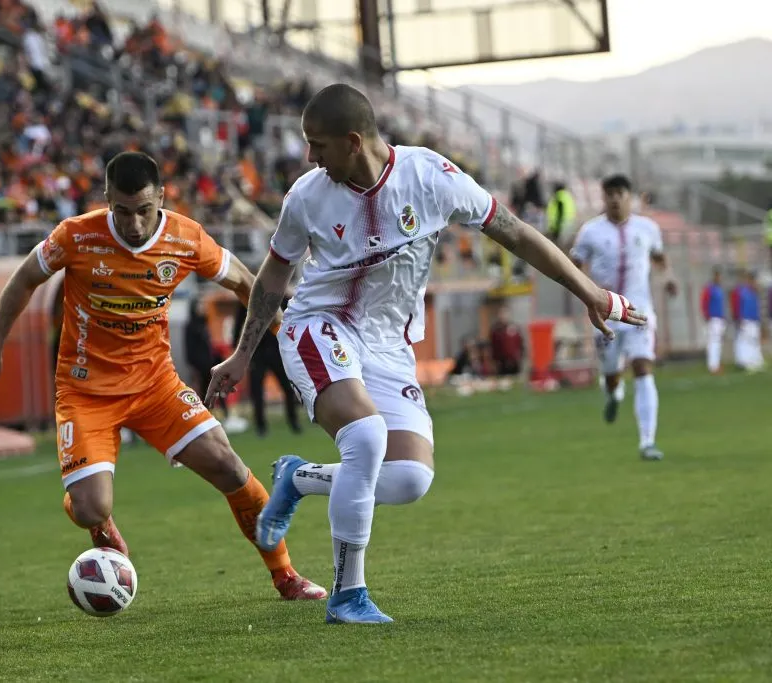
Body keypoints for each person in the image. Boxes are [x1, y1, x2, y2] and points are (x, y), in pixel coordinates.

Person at [206, 83, 646, 624]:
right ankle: (348, 595)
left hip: (390, 345)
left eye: (317, 145)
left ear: (352, 141)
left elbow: (516, 232)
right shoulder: (306, 196)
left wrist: (592, 292)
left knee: (410, 480)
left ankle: (298, 478)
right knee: (366, 437)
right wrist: (243, 355)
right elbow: (274, 276)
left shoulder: (431, 178)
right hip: (319, 327)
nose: (310, 157)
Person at [0, 151, 325, 602]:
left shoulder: (185, 237)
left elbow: (243, 281)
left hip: (155, 385)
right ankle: (98, 522)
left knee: (229, 467)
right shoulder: (77, 236)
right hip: (86, 391)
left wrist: (281, 332)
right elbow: (24, 279)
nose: (135, 224)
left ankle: (286, 576)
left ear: (161, 197)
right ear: (106, 199)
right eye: (122, 211)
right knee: (89, 507)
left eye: (144, 210)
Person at [569, 174, 676, 461]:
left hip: (639, 311)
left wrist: (668, 278)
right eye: (610, 194)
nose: (615, 199)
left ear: (630, 196)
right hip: (605, 314)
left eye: (620, 193)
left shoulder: (648, 228)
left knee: (643, 367)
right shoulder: (590, 232)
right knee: (612, 374)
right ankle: (613, 393)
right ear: (603, 198)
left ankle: (647, 441)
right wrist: (583, 291)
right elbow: (573, 264)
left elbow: (659, 256)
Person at [233, 299, 303, 437]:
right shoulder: (247, 300)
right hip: (257, 353)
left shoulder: (280, 297)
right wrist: (241, 354)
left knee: (288, 388)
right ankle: (261, 426)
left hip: (277, 351)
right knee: (257, 391)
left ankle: (294, 421)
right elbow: (239, 327)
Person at [730, 271, 765, 372]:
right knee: (746, 341)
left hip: (754, 320)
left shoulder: (754, 292)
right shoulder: (742, 292)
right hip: (746, 320)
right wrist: (739, 318)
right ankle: (746, 362)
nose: (755, 282)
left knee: (754, 341)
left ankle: (755, 360)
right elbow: (738, 306)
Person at [700, 267, 726, 374]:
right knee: (713, 342)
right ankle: (713, 365)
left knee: (718, 342)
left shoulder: (719, 289)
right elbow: (704, 302)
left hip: (720, 318)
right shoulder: (709, 289)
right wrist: (706, 315)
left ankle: (716, 364)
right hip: (713, 318)